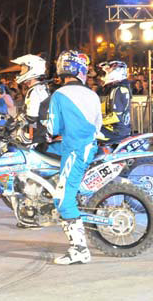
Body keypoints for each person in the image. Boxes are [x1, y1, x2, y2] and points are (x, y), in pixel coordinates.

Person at [47, 50, 102, 265]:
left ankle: (80, 250)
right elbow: (97, 125)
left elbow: (52, 128)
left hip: (75, 150)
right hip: (87, 146)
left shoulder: (59, 95)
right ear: (80, 71)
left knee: (62, 199)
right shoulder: (93, 94)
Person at [11, 54, 50, 145]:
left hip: (36, 137)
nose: (21, 72)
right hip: (42, 134)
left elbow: (32, 118)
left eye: (23, 69)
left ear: (33, 69)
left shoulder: (34, 91)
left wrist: (16, 122)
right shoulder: (42, 87)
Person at [97, 61, 132, 143]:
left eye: (108, 71)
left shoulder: (119, 89)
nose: (106, 75)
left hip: (116, 130)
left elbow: (115, 116)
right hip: (115, 128)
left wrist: (96, 121)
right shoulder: (116, 88)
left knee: (87, 133)